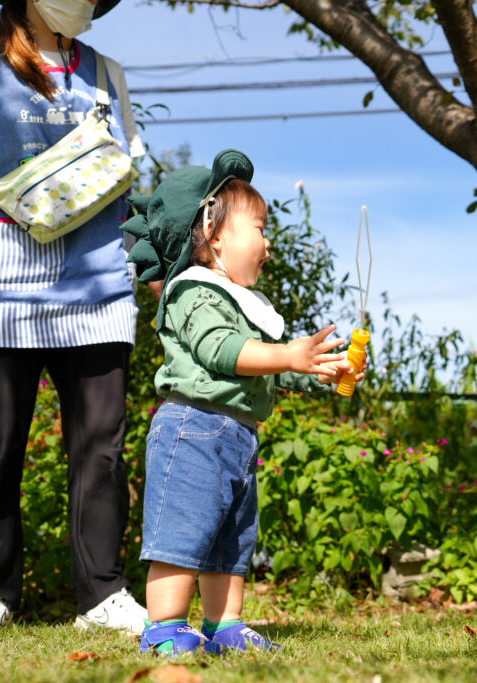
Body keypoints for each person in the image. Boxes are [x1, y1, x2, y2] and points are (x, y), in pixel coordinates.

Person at [122, 149, 361, 655]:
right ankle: (164, 624)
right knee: (182, 531)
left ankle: (223, 623)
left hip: (235, 436)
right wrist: (289, 354)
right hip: (192, 428)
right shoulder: (192, 290)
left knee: (230, 540)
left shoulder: (241, 302)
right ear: (212, 234)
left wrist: (322, 370)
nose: (268, 244)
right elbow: (221, 350)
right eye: (259, 229)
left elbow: (271, 368)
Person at [0, 0, 148, 635]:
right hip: (1, 292)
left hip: (99, 289)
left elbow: (132, 170)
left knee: (100, 451)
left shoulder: (105, 72)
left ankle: (102, 595)